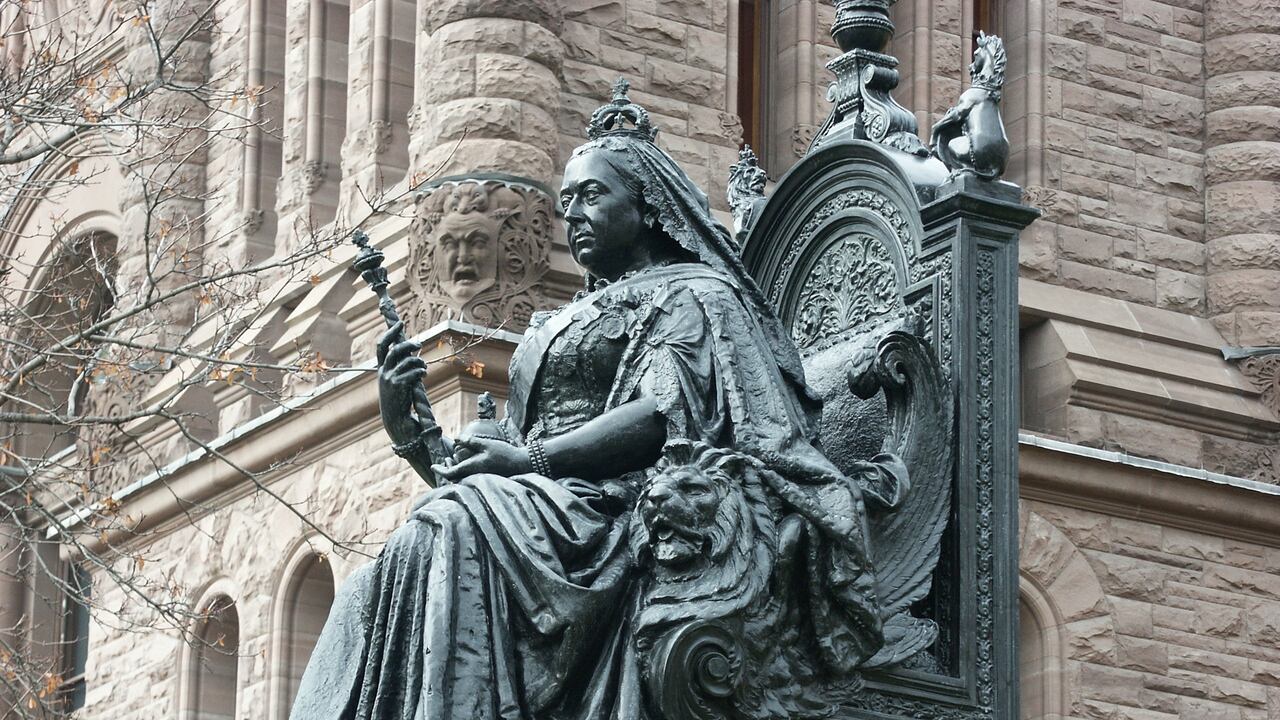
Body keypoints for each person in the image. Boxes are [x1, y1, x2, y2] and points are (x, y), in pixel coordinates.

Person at [289, 81, 903, 720]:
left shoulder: (699, 295)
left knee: (451, 525)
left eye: (591, 195)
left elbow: (665, 413)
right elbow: (498, 461)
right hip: (548, 505)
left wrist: (531, 463)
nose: (573, 213)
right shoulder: (573, 313)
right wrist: (410, 432)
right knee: (381, 578)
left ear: (648, 204)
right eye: (566, 200)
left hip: (626, 506)